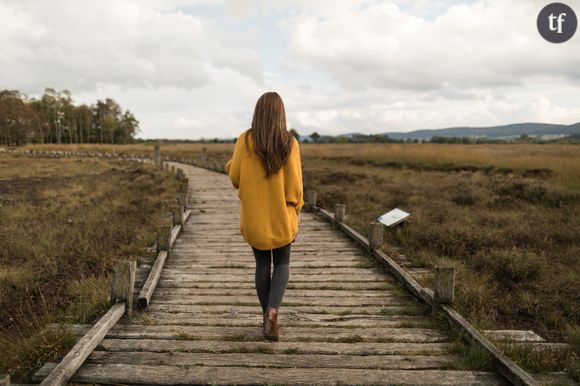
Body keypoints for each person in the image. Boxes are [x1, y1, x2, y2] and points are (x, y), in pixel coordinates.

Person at [225, 91, 304, 341]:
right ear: (281, 114)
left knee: (261, 265)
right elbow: (294, 189)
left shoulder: (244, 140)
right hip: (282, 217)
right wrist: (298, 210)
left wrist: (231, 166)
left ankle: (265, 318)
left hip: (254, 218)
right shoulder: (289, 143)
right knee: (282, 264)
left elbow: (235, 177)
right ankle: (273, 311)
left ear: (257, 113)